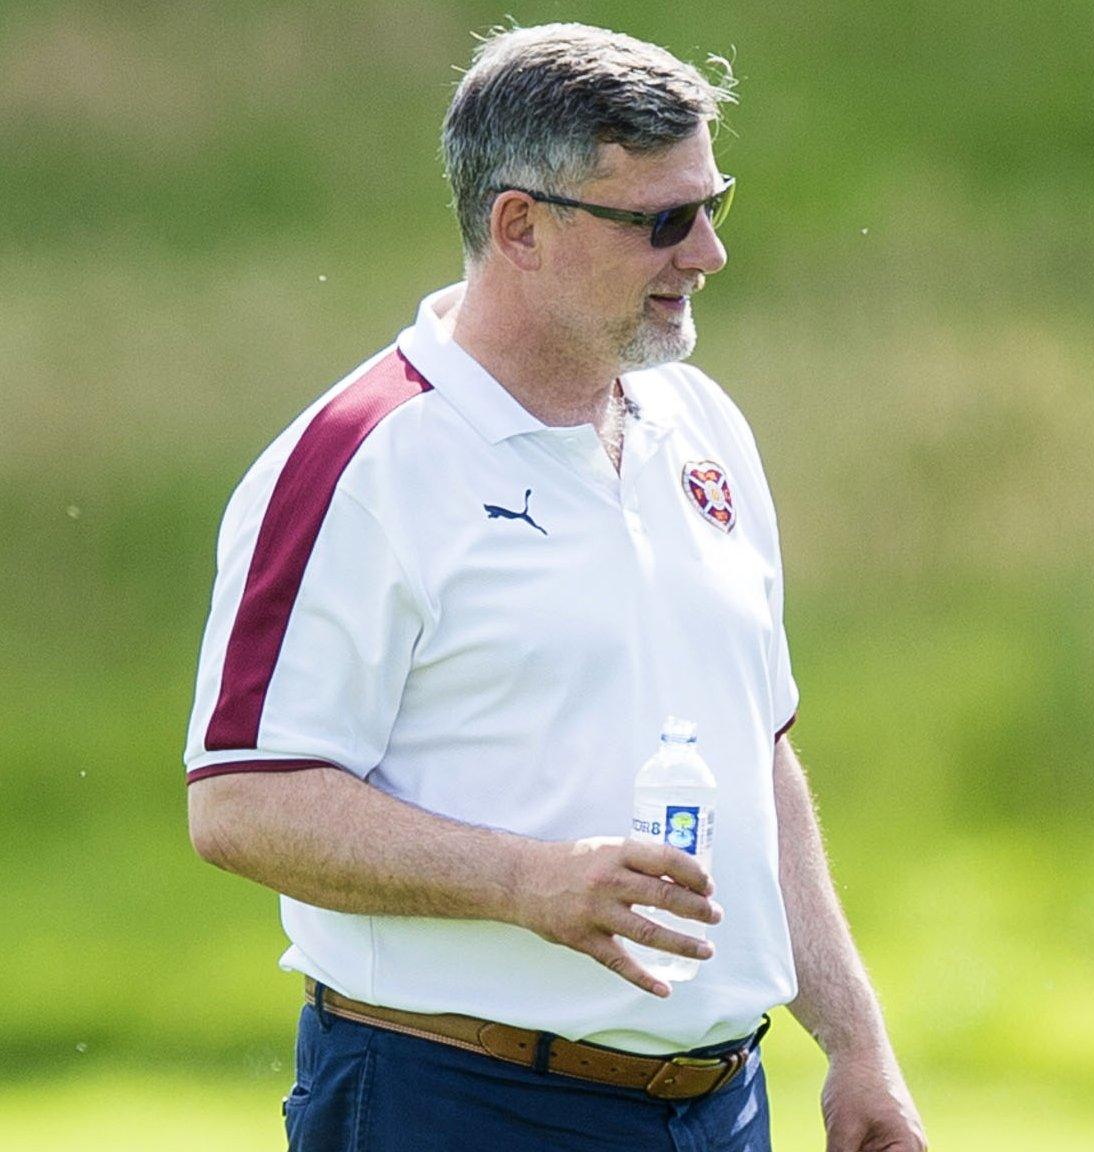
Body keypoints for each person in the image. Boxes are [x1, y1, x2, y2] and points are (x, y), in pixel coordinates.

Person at [184, 24, 926, 1152]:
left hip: (721, 1108)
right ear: (519, 225)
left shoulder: (702, 427)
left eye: (714, 204)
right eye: (660, 220)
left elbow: (755, 757)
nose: (708, 253)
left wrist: (856, 1043)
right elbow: (241, 801)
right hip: (452, 1099)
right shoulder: (362, 462)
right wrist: (524, 881)